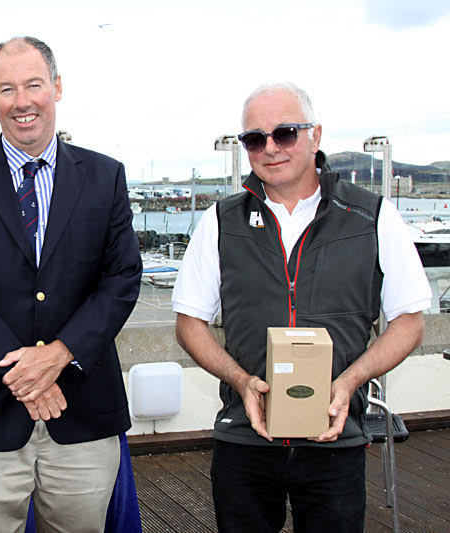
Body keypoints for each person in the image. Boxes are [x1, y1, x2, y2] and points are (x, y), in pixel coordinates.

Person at [172, 83, 431, 532]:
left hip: (337, 440)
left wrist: (350, 382)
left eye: (285, 133)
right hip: (243, 437)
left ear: (316, 135)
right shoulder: (221, 220)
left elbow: (409, 320)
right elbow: (189, 322)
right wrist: (240, 380)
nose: (270, 148)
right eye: (254, 139)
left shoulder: (372, 215)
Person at [0, 36, 142, 533]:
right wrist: (24, 373)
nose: (21, 101)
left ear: (57, 88)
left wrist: (59, 354)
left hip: (83, 411)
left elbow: (122, 277)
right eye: (6, 89)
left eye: (33, 85)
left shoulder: (105, 177)